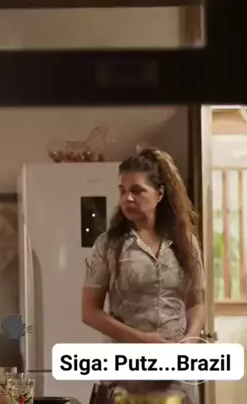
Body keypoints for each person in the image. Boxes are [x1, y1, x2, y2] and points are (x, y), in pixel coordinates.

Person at [81, 148, 205, 404]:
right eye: (123, 190)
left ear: (159, 194)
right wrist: (142, 341)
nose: (127, 198)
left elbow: (196, 302)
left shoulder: (186, 243)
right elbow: (89, 312)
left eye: (137, 191)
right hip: (126, 376)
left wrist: (190, 341)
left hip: (176, 377)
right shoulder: (108, 245)